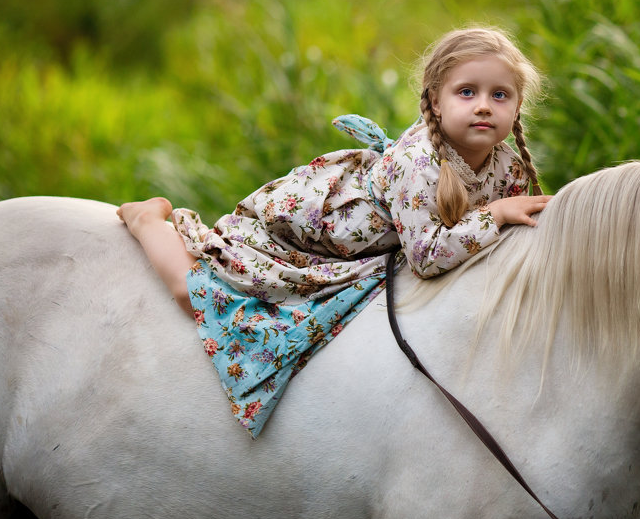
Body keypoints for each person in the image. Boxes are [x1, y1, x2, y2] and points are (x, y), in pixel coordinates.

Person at [117, 26, 552, 435]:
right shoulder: (417, 163)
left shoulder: (507, 167)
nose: (483, 105)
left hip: (371, 251)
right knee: (202, 291)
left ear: (516, 106)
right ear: (436, 101)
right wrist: (493, 214)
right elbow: (427, 258)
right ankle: (148, 221)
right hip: (310, 238)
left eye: (499, 95)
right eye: (466, 92)